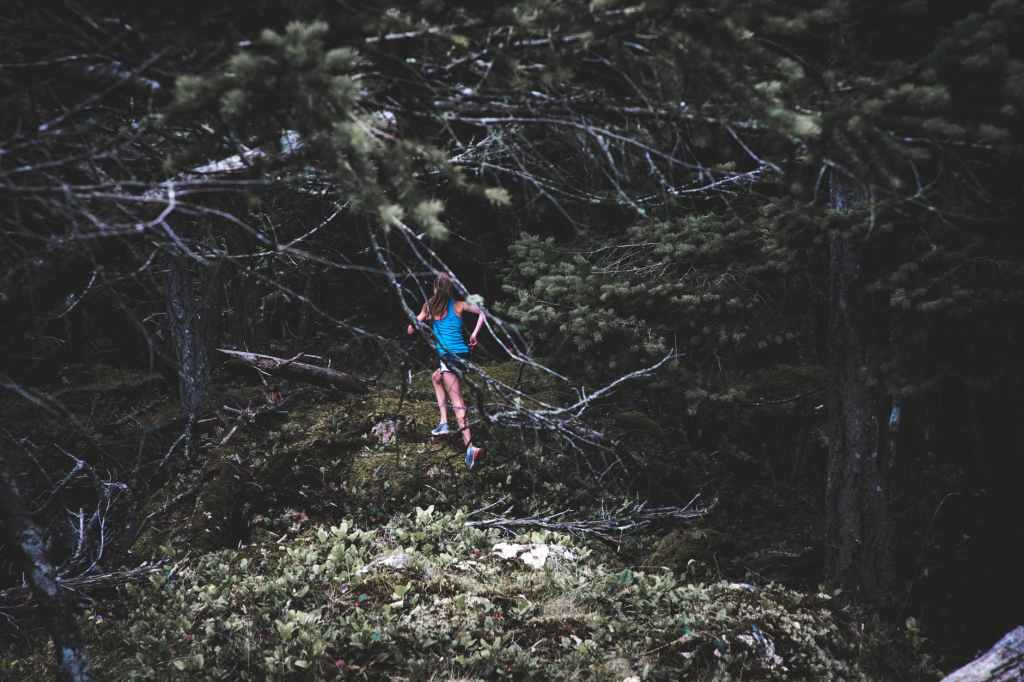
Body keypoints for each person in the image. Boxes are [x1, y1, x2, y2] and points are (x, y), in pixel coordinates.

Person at [407, 273, 486, 469]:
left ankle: (470, 447)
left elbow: (411, 329)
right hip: (463, 356)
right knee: (436, 377)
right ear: (449, 289)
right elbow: (483, 312)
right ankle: (443, 422)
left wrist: (416, 323)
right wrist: (474, 334)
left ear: (434, 288)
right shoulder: (458, 305)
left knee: (458, 402)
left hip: (449, 358)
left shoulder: (429, 306)